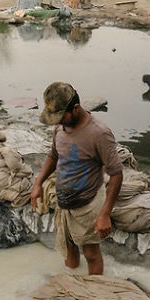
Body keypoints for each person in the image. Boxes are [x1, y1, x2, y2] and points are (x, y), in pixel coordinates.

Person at [30, 82, 123, 275]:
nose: (57, 122)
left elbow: (116, 174)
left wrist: (105, 214)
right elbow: (53, 155)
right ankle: (71, 279)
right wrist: (38, 183)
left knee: (91, 254)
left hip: (87, 205)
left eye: (60, 116)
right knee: (68, 248)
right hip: (64, 203)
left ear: (76, 108)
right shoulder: (60, 128)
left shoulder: (99, 133)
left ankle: (93, 293)